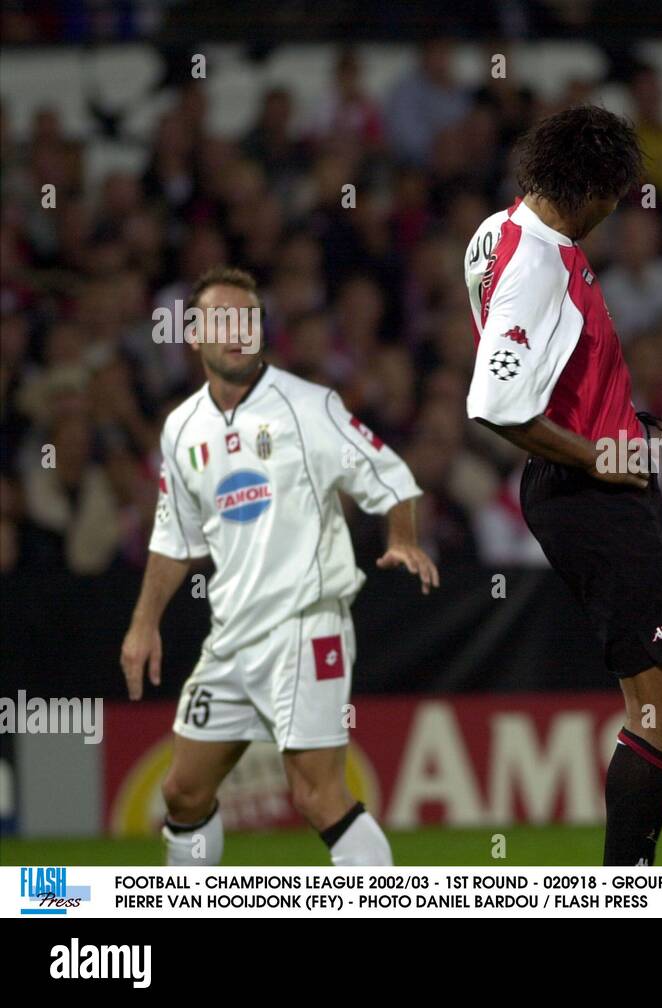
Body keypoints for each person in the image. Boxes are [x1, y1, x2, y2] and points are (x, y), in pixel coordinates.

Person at [463, 106, 662, 866]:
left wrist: (616, 417)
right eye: (616, 194)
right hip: (588, 493)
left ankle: (631, 863)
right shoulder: (536, 265)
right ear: (592, 191)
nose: (616, 210)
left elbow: (554, 363)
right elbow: (494, 403)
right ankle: (622, 884)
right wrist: (595, 452)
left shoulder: (495, 230)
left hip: (605, 476)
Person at [119, 266, 435, 866]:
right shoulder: (181, 428)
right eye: (224, 320)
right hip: (232, 637)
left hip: (304, 626)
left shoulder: (308, 406)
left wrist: (403, 536)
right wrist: (144, 624)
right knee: (182, 791)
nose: (240, 332)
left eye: (250, 319)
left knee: (317, 795)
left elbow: (391, 477)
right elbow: (173, 537)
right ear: (195, 334)